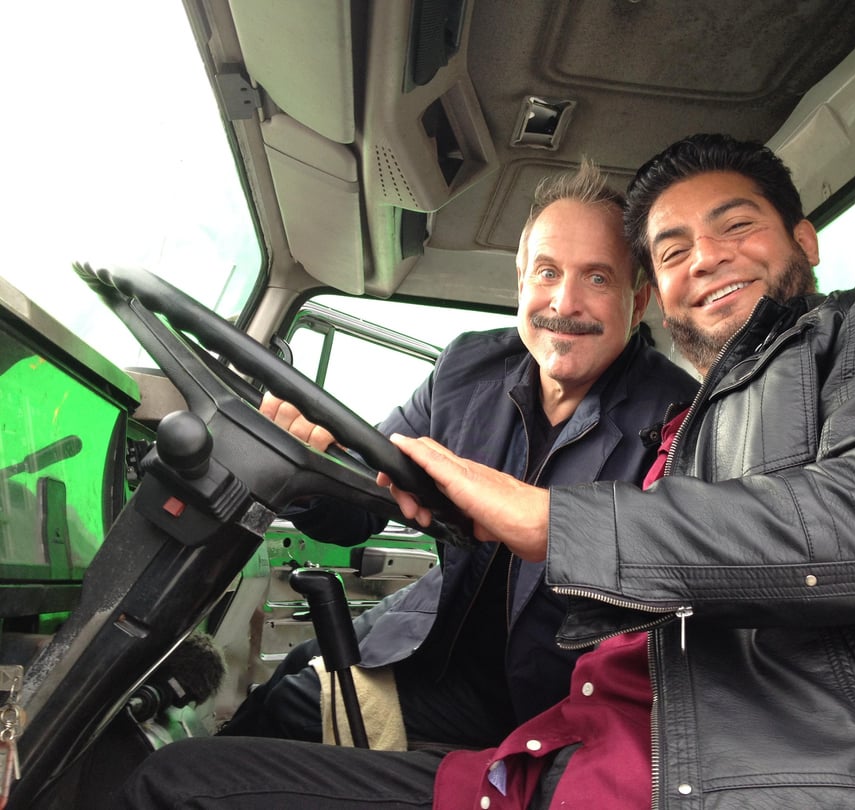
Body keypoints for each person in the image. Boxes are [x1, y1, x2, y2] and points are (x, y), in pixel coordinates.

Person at [120, 134, 855, 808]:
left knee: (187, 779)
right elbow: (371, 499)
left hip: (597, 726)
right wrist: (315, 468)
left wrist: (549, 520)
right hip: (561, 737)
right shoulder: (492, 373)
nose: (706, 261)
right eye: (675, 249)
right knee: (249, 725)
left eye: (736, 227)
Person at [218, 160, 699, 748]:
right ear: (521, 282)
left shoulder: (678, 419)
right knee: (291, 671)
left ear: (638, 298)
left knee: (292, 709)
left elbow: (671, 590)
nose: (564, 302)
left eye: (597, 278)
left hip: (540, 693)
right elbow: (360, 506)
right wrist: (309, 463)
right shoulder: (466, 368)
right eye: (547, 272)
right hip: (432, 630)